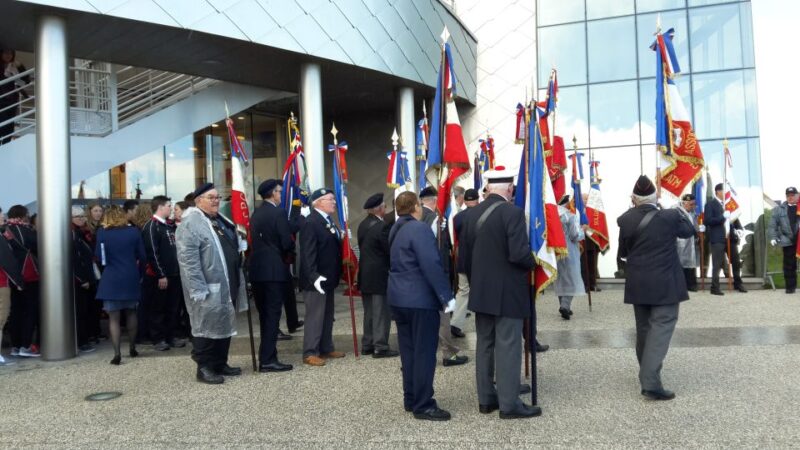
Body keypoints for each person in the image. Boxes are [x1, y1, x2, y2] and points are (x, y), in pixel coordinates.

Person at [458, 167, 541, 419]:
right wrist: (535, 261)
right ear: (509, 189)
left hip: (481, 291)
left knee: (485, 344)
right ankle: (509, 404)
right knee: (508, 345)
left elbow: (463, 261)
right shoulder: (512, 213)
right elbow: (518, 254)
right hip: (507, 293)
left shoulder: (470, 215)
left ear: (489, 189)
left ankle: (486, 399)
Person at [617, 175, 695, 400]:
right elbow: (689, 231)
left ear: (634, 199)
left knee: (644, 329)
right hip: (665, 282)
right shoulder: (670, 216)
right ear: (655, 196)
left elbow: (623, 252)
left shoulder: (625, 219)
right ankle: (650, 381)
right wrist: (679, 210)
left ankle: (647, 372)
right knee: (661, 326)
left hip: (638, 281)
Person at [388, 191, 455, 421]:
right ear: (416, 206)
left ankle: (411, 397)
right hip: (419, 301)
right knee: (425, 353)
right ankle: (424, 404)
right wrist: (446, 295)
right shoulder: (419, 228)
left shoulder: (396, 229)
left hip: (399, 298)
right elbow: (431, 264)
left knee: (409, 352)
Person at [176, 183, 248, 384]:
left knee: (224, 322)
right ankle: (204, 367)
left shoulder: (220, 220)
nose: (216, 200)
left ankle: (220, 362)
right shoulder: (191, 223)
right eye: (211, 197)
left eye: (217, 197)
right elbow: (188, 260)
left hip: (227, 282)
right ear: (199, 201)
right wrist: (197, 287)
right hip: (207, 286)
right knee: (206, 326)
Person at [248, 179, 294, 373]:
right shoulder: (278, 212)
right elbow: (286, 241)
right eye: (279, 192)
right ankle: (267, 359)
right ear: (273, 194)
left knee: (265, 315)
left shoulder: (256, 213)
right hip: (274, 270)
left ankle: (267, 356)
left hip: (258, 271)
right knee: (272, 316)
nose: (281, 195)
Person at [419, 186, 468, 366]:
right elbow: (439, 250)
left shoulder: (414, 218)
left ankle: (425, 353)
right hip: (438, 274)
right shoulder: (435, 219)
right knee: (443, 316)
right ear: (434, 200)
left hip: (421, 277)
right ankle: (448, 354)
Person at [299, 188, 344, 366]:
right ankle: (310, 351)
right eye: (330, 199)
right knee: (315, 316)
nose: (334, 202)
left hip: (328, 277)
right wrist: (313, 276)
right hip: (316, 280)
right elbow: (308, 254)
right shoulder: (311, 222)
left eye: (333, 199)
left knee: (327, 314)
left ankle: (326, 347)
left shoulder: (326, 220)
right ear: (318, 202)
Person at [95, 206, 146, 365]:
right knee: (131, 313)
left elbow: (99, 256)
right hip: (130, 276)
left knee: (113, 318)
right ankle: (132, 347)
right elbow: (143, 256)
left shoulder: (102, 233)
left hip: (111, 278)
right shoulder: (133, 232)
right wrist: (140, 273)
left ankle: (117, 353)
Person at [356, 192, 398, 358]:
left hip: (365, 273)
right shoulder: (382, 227)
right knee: (381, 312)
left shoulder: (362, 225)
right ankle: (380, 346)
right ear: (380, 209)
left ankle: (368, 343)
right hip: (379, 274)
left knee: (369, 312)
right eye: (385, 206)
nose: (385, 209)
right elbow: (388, 251)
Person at [141, 196, 184, 351]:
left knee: (173, 308)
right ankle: (158, 338)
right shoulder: (152, 226)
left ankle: (171, 336)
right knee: (158, 308)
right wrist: (161, 274)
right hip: (160, 276)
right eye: (168, 205)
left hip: (174, 273)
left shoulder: (169, 226)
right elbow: (152, 253)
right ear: (160, 207)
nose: (171, 208)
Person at [5, 205, 40, 358]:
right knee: (30, 310)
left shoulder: (4, 230)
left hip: (11, 277)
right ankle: (26, 345)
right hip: (28, 276)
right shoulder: (25, 230)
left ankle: (15, 345)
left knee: (15, 312)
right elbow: (39, 245)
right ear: (23, 215)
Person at [704, 183, 747, 295]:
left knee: (736, 262)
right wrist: (722, 217)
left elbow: (734, 218)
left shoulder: (728, 203)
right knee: (717, 264)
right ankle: (715, 287)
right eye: (724, 191)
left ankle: (738, 283)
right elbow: (708, 220)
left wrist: (740, 228)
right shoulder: (710, 204)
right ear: (718, 191)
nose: (726, 193)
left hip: (730, 237)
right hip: (718, 237)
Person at [451, 188, 480, 336]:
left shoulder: (457, 217)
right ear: (477, 199)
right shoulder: (482, 214)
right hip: (479, 261)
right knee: (483, 291)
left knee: (463, 291)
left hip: (463, 259)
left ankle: (456, 323)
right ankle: (484, 325)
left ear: (465, 200)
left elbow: (455, 240)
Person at [554, 195, 586, 320]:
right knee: (572, 278)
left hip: (556, 250)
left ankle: (563, 304)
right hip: (569, 250)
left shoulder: (553, 215)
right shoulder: (570, 216)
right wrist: (583, 230)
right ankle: (565, 306)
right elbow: (574, 235)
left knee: (561, 278)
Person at [71, 206, 97, 353]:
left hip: (87, 276)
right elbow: (74, 259)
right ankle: (82, 341)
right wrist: (82, 279)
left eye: (82, 216)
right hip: (80, 280)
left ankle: (85, 338)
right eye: (78, 217)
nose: (81, 219)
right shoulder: (73, 234)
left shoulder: (81, 232)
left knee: (86, 310)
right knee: (81, 311)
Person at [768, 186, 799, 293]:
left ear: (797, 195)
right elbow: (772, 225)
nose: (790, 197)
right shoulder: (778, 210)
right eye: (788, 195)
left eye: (792, 195)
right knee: (789, 264)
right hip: (787, 240)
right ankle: (790, 287)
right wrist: (773, 237)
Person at [0, 220, 23, 365]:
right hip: (1, 284)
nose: (3, 219)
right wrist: (18, 281)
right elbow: (8, 261)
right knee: (1, 319)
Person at [1, 49, 30, 144]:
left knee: (9, 124)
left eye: (10, 53)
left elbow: (26, 80)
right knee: (3, 122)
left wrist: (17, 70)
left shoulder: (16, 66)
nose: (8, 55)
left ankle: (6, 144)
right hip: (2, 98)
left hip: (12, 99)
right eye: (5, 53)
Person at [675, 194, 701, 292]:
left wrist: (699, 231)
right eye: (691, 204)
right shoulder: (677, 212)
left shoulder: (694, 213)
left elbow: (696, 225)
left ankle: (691, 284)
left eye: (694, 204)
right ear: (684, 203)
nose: (693, 206)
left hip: (692, 241)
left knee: (691, 264)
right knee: (681, 264)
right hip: (681, 241)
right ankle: (681, 286)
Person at [580, 193, 601, 292]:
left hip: (593, 241)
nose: (586, 201)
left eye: (587, 199)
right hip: (583, 241)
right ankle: (585, 285)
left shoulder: (594, 211)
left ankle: (593, 284)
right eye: (584, 199)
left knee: (593, 263)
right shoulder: (578, 211)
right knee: (584, 265)